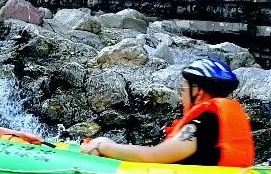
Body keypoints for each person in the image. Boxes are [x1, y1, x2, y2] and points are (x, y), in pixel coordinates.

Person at [81, 57, 255, 167]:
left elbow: (153, 156)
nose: (181, 97)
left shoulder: (200, 125)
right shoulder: (217, 121)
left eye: (183, 89)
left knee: (102, 142)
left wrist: (102, 146)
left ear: (198, 92)